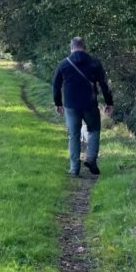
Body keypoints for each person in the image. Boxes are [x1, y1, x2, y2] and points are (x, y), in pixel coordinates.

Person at [52, 37, 114, 176]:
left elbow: (56, 87)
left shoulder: (63, 64)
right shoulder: (95, 63)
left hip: (71, 106)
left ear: (71, 47)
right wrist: (109, 102)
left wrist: (58, 104)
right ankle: (91, 158)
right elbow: (104, 85)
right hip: (90, 104)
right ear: (84, 47)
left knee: (73, 135)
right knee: (94, 131)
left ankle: (74, 169)